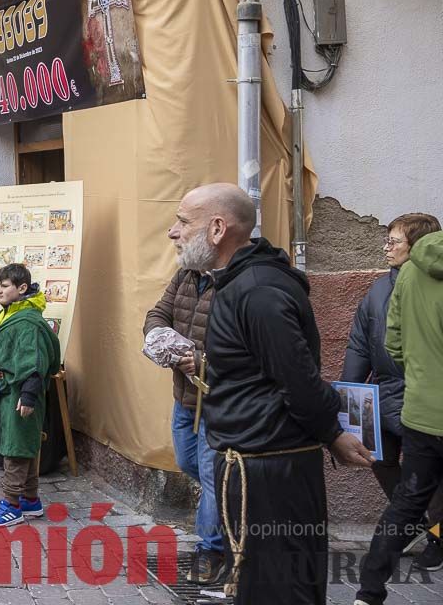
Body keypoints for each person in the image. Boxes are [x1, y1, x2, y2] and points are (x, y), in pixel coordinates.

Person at [183, 183, 370, 605]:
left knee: (282, 589)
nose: (174, 233)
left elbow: (297, 378)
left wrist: (331, 433)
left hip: (271, 472)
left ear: (217, 228)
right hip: (255, 466)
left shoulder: (258, 290)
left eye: (182, 222)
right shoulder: (238, 283)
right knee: (261, 585)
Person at [344, 213, 443, 575]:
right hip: (383, 392)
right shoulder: (378, 289)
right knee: (379, 459)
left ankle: (437, 534)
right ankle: (415, 525)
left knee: (428, 475)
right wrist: (349, 390)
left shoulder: (424, 283)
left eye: (395, 241)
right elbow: (359, 341)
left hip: (418, 394)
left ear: (417, 246)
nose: (387, 247)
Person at [144, 238, 225, 583]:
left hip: (216, 400)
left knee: (209, 475)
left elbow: (239, 342)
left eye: (185, 230)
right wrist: (157, 336)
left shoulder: (230, 282)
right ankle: (227, 508)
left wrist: (205, 360)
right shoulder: (186, 275)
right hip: (185, 396)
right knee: (187, 462)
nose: (175, 237)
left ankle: (212, 551)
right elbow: (158, 313)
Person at [0, 263, 60, 527]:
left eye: (5, 285)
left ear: (22, 288)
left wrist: (29, 395)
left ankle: (12, 505)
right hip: (7, 391)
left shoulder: (29, 322)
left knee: (16, 448)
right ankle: (30, 500)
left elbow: (34, 361)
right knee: (25, 444)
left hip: (20, 393)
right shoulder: (9, 314)